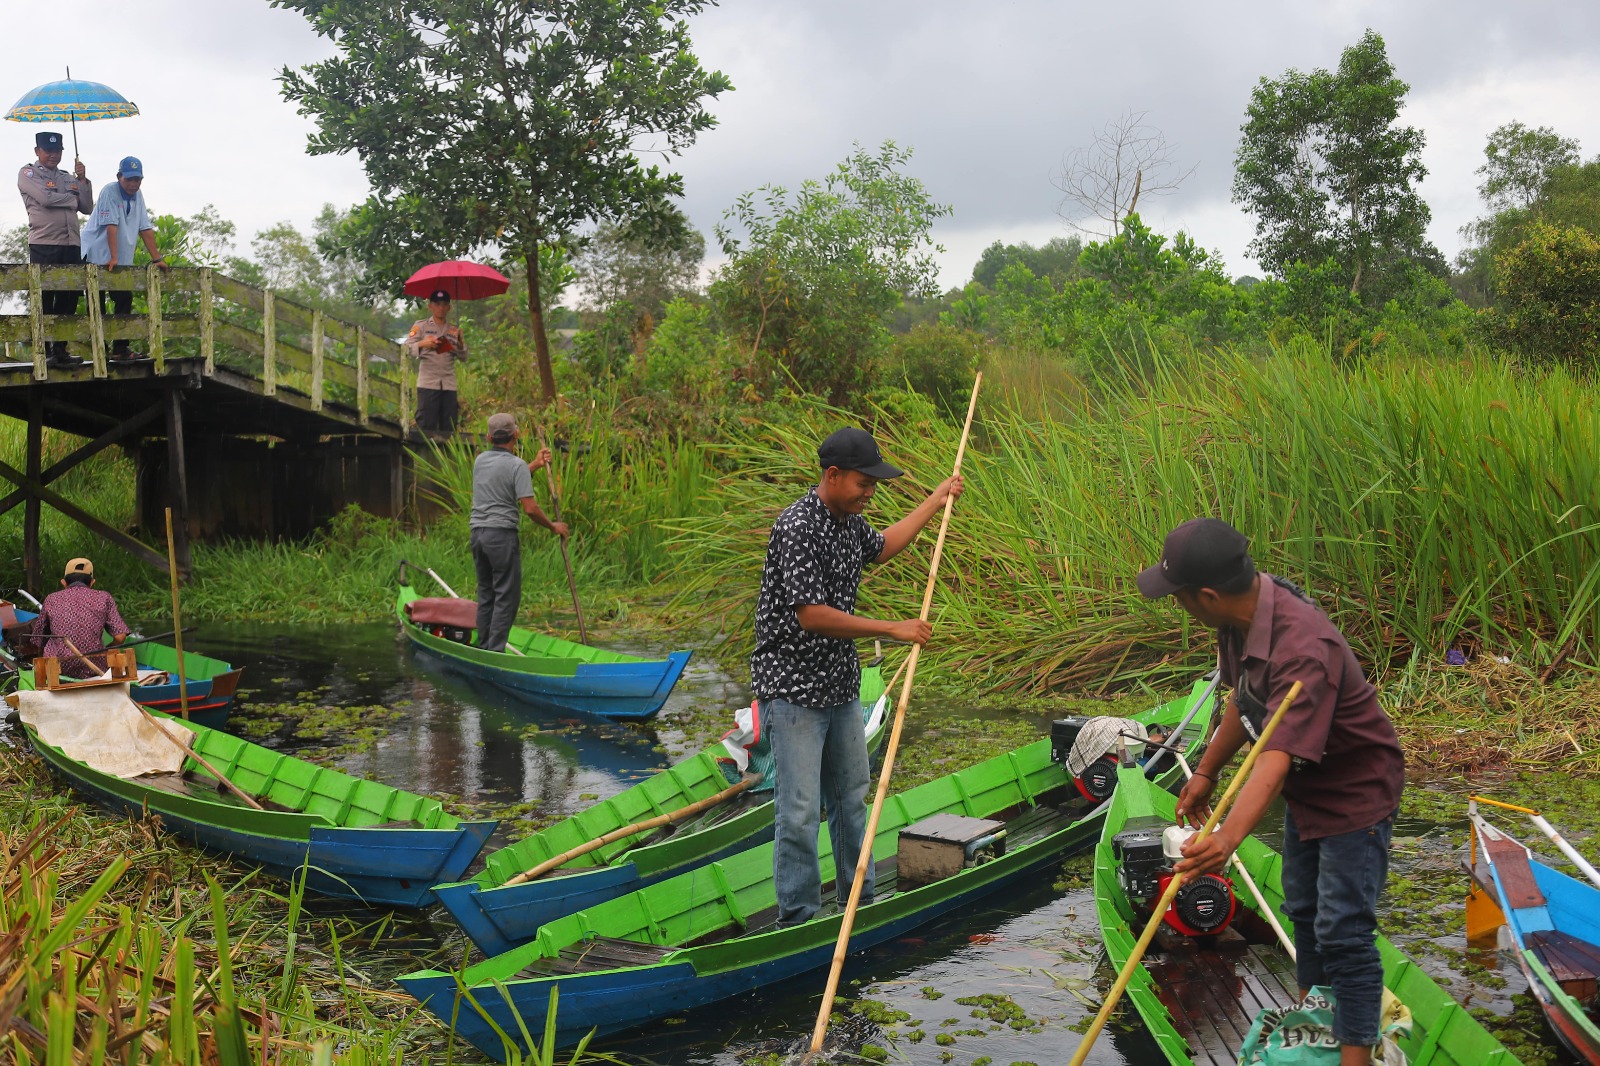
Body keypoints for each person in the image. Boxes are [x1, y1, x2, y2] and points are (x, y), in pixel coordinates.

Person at [1140, 518, 1404, 1066]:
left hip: (1355, 793)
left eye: (1181, 598)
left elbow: (1276, 760)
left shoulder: (1303, 647)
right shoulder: (1241, 616)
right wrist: (1208, 771)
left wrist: (1229, 838)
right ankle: (1316, 1029)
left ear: (1206, 596)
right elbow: (1244, 697)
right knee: (1303, 909)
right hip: (1309, 787)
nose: (1180, 607)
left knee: (1344, 932)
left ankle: (1354, 1059)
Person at [752, 427, 964, 927]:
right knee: (800, 811)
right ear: (832, 475)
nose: (870, 493)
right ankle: (799, 917)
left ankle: (856, 902)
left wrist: (935, 500)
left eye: (874, 485)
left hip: (838, 684)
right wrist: (893, 628)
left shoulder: (850, 522)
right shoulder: (798, 525)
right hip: (793, 689)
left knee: (850, 799)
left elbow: (885, 546)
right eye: (863, 483)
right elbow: (812, 614)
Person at [469, 413, 569, 652]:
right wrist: (554, 526)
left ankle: (484, 647)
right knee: (507, 597)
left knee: (486, 593)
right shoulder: (516, 466)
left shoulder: (480, 460)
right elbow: (530, 508)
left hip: (478, 535)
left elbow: (508, 476)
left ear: (488, 437)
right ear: (516, 435)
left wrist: (533, 465)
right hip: (501, 537)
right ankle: (495, 652)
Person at [80, 156, 170, 362]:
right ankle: (99, 350)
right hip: (97, 253)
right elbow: (111, 225)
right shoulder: (109, 191)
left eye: (137, 180)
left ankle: (120, 348)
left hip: (118, 258)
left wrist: (157, 259)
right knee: (96, 302)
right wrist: (113, 257)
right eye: (129, 179)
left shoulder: (138, 195)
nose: (133, 184)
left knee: (124, 298)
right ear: (119, 177)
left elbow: (145, 227)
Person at [18, 131, 92, 368]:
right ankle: (46, 349)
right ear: (37, 151)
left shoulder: (68, 177)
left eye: (57, 150)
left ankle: (61, 349)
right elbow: (45, 198)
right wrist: (71, 200)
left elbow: (87, 207)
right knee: (45, 296)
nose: (52, 155)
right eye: (48, 150)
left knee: (69, 296)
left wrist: (82, 181)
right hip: (44, 242)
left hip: (71, 243)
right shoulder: (28, 173)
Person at [30, 557, 129, 679]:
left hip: (58, 668)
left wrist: (40, 662)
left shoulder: (51, 599)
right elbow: (120, 637)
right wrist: (105, 650)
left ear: (64, 582)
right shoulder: (104, 597)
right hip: (95, 666)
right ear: (92, 582)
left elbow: (38, 640)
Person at [405, 290, 467, 434]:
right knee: (426, 425)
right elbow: (405, 348)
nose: (441, 308)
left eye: (445, 304)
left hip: (448, 384)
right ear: (430, 306)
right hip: (428, 383)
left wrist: (460, 343)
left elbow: (464, 357)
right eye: (437, 304)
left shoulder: (454, 330)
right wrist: (422, 344)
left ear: (449, 307)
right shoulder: (421, 326)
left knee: (449, 427)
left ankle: (447, 456)